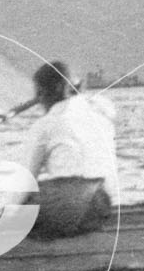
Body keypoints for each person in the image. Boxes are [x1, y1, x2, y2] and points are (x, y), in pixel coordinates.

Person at [18, 60, 118, 237]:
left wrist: (5, 217)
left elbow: (25, 181)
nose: (38, 100)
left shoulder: (44, 125)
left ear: (48, 91)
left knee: (19, 208)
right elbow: (106, 107)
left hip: (69, 206)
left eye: (39, 92)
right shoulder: (102, 117)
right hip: (101, 206)